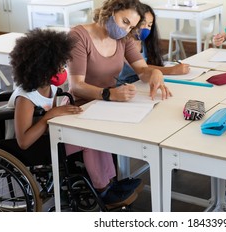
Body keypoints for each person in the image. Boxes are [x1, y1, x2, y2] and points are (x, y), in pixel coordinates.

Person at [8, 29, 138, 210]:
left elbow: (50, 120)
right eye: (59, 66)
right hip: (33, 149)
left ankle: (110, 183)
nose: (63, 70)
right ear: (42, 67)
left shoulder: (50, 88)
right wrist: (49, 116)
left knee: (95, 133)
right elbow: (23, 142)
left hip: (48, 138)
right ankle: (104, 190)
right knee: (88, 140)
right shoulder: (26, 97)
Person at [67, 0, 171, 105]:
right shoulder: (78, 36)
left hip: (108, 103)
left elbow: (141, 71)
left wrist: (155, 72)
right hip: (81, 105)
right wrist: (110, 94)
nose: (126, 29)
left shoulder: (124, 38)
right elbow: (76, 86)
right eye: (125, 22)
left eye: (131, 27)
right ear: (111, 10)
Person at [118, 3, 190, 84]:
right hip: (125, 85)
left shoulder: (146, 42)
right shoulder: (123, 43)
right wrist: (172, 70)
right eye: (142, 23)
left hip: (142, 82)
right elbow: (139, 67)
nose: (146, 28)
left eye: (149, 25)